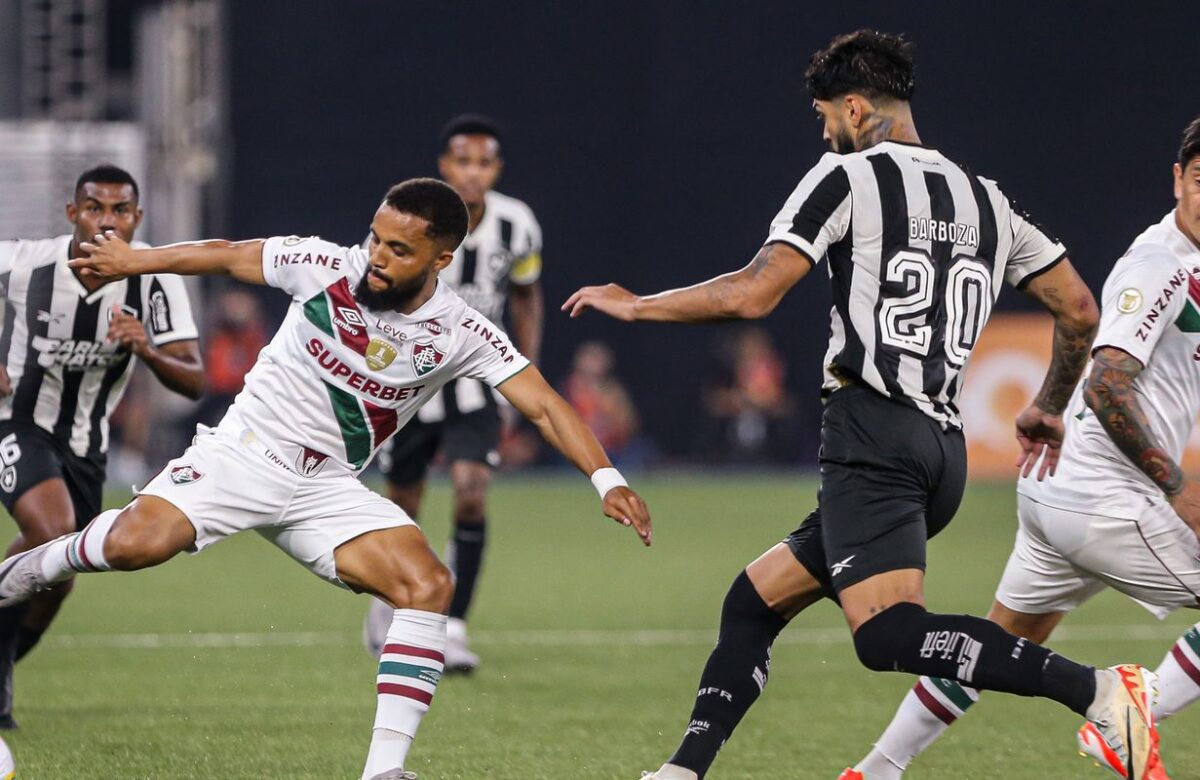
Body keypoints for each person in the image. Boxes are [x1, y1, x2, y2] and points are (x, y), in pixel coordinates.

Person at [565, 30, 1158, 780]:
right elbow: (1077, 308)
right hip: (941, 452)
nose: (824, 132)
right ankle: (682, 771)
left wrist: (640, 305)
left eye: (824, 116)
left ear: (854, 107)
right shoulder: (986, 200)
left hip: (871, 432)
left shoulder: (846, 176)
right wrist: (1048, 405)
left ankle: (1100, 689)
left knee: (884, 637)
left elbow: (756, 291)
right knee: (753, 602)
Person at [0, 178, 649, 780]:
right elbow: (226, 254)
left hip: (325, 488)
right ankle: (30, 569)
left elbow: (543, 404)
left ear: (440, 260)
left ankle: (384, 770)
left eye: (398, 249)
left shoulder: (461, 332)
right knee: (133, 548)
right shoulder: (324, 264)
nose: (376, 257)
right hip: (241, 455)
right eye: (375, 237)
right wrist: (137, 261)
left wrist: (606, 479)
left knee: (427, 583)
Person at [841, 116, 1200, 780]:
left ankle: (876, 768)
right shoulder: (1160, 267)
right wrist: (1177, 486)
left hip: (1059, 492)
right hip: (1102, 499)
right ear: (1177, 178)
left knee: (997, 644)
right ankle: (1126, 713)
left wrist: (1048, 407)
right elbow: (1109, 385)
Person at [0, 164, 204, 728]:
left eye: (120, 211)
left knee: (57, 579)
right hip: (14, 422)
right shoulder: (27, 262)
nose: (106, 221)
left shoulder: (155, 281)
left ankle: (1, 668)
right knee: (52, 531)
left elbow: (194, 379)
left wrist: (148, 348)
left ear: (137, 218)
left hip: (87, 443)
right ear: (73, 214)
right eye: (94, 208)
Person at [365, 115, 544, 671]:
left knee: (471, 491)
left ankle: (455, 627)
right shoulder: (410, 218)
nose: (473, 172)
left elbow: (526, 297)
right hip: (409, 383)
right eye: (462, 161)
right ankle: (389, 611)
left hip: (475, 382)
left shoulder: (518, 226)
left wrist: (523, 372)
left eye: (483, 162)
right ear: (444, 165)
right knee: (403, 504)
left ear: (496, 169)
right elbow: (374, 285)